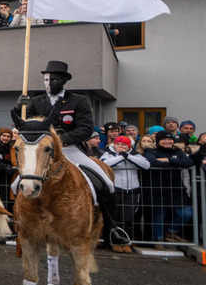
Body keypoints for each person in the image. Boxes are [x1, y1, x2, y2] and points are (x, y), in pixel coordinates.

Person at [12, 60, 128, 248]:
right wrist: (19, 108)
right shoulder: (36, 101)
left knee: (105, 183)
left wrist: (58, 141)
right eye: (46, 80)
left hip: (70, 148)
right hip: (42, 151)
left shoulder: (78, 101)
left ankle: (112, 228)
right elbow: (23, 125)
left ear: (64, 81)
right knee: (16, 184)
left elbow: (86, 128)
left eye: (53, 80)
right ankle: (21, 223)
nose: (49, 84)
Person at [142, 132, 194, 247]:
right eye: (164, 139)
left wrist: (168, 160)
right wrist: (175, 164)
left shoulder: (177, 151)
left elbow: (188, 162)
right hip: (158, 188)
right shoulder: (151, 151)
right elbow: (151, 162)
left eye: (170, 140)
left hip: (177, 188)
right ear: (158, 141)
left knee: (186, 213)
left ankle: (171, 232)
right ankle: (158, 239)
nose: (167, 142)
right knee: (159, 215)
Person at [100, 135, 149, 247]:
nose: (120, 146)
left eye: (123, 145)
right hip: (116, 189)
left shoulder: (135, 154)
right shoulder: (108, 154)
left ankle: (126, 242)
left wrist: (128, 156)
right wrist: (121, 157)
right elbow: (104, 164)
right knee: (114, 217)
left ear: (129, 146)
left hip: (132, 190)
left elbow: (146, 165)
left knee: (128, 218)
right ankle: (112, 242)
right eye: (118, 144)